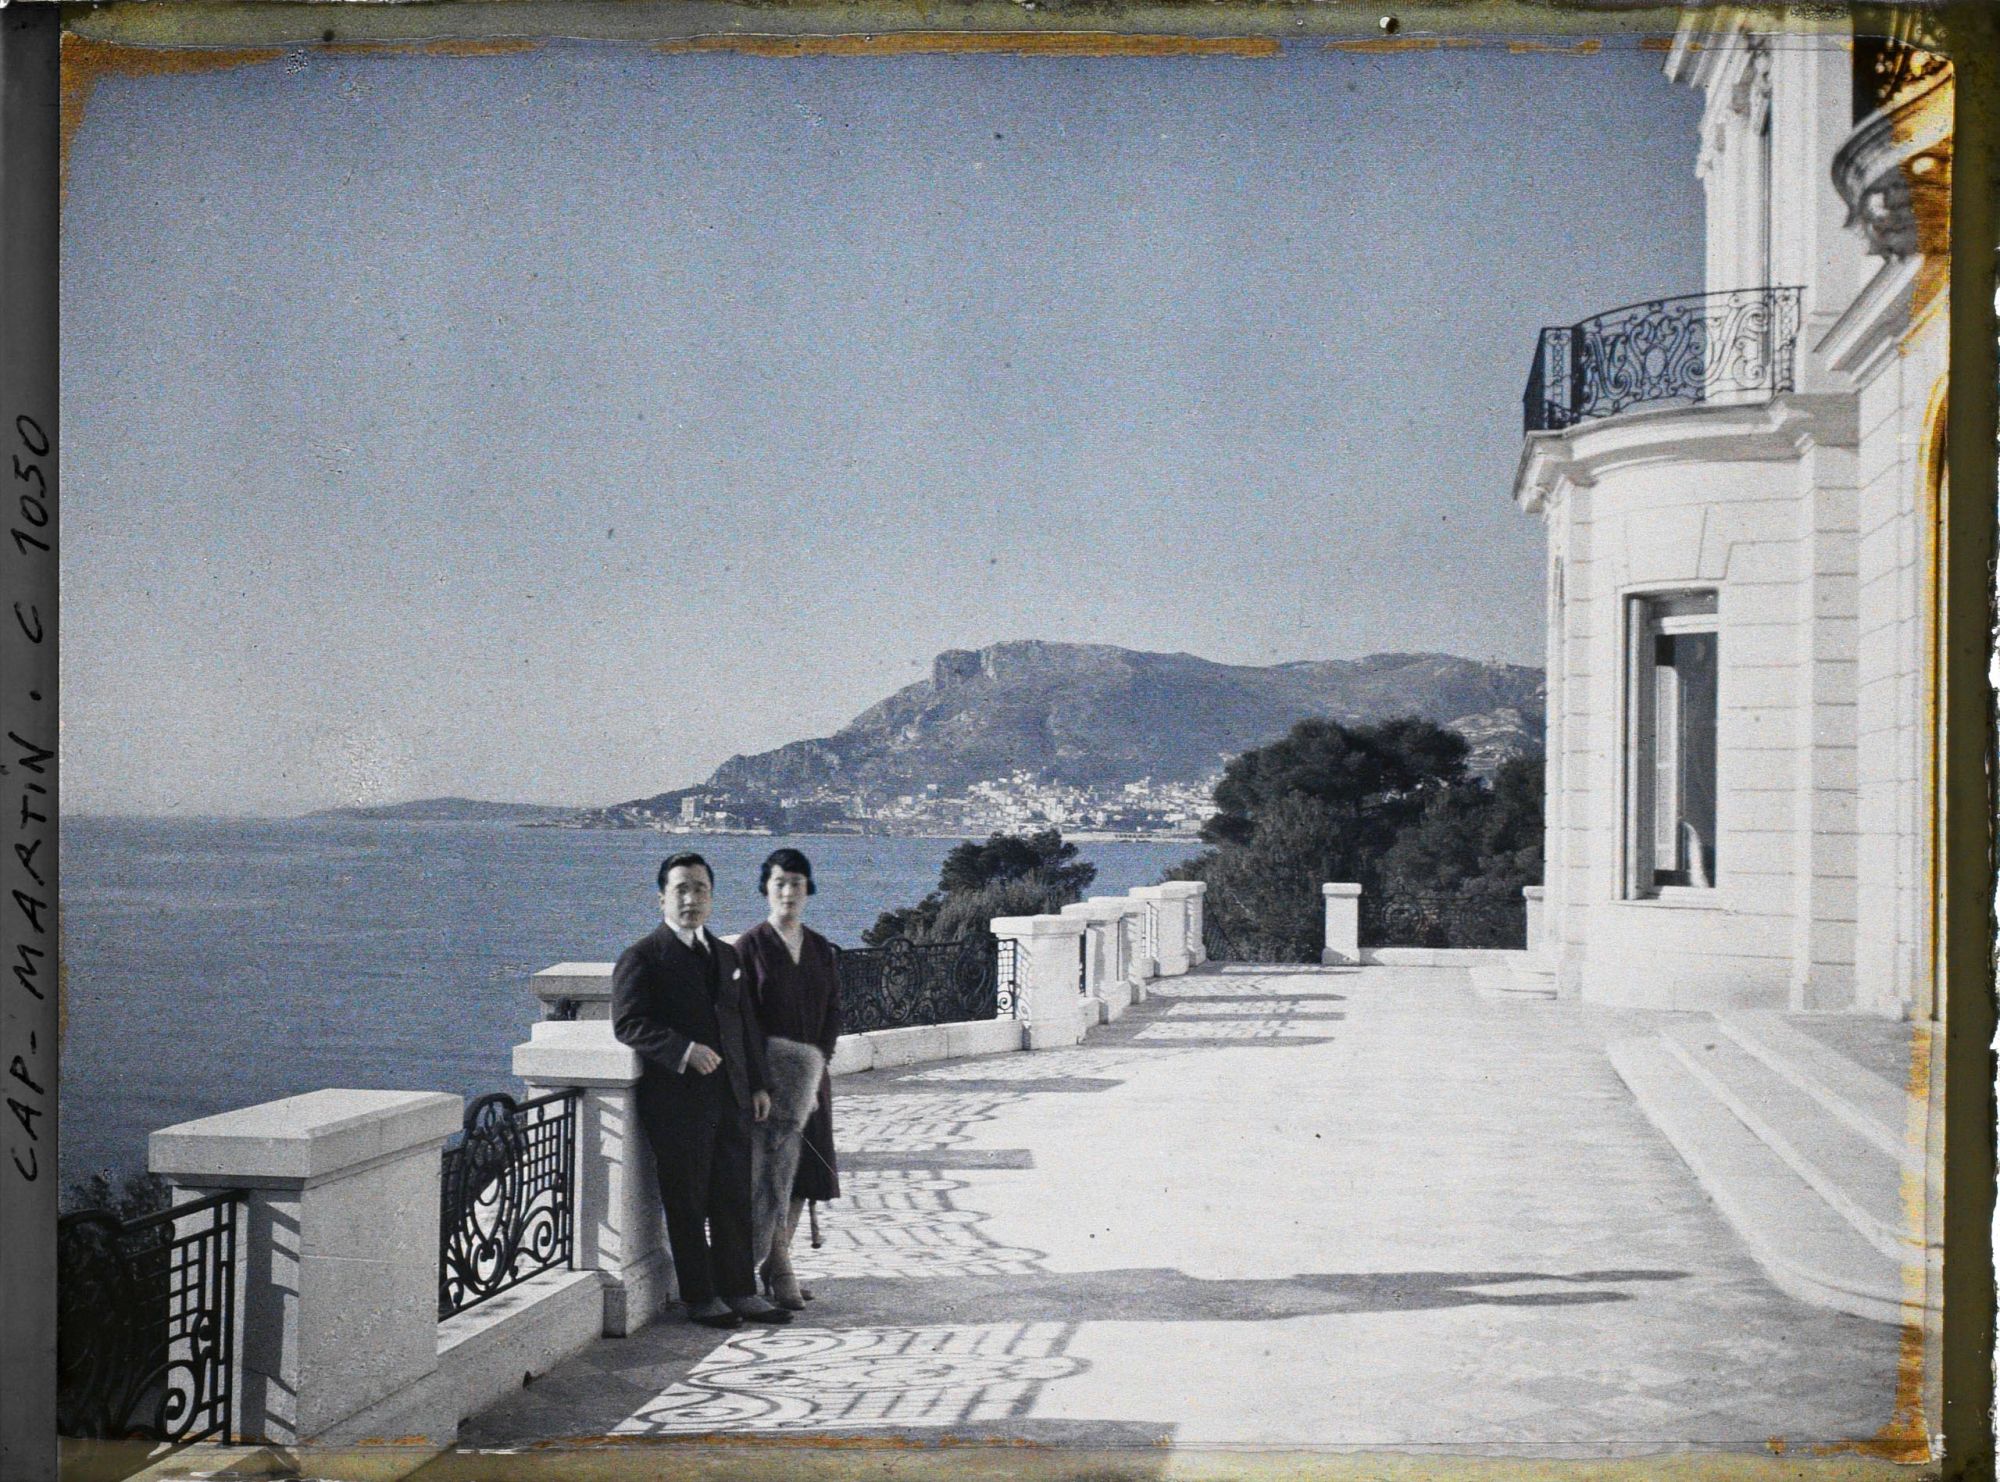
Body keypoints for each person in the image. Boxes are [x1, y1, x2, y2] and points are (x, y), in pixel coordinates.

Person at [611, 852, 791, 1329]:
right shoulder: (643, 957)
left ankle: (741, 1291)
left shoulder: (726, 955)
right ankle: (701, 1296)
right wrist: (683, 1049)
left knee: (732, 1197)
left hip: (730, 1098)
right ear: (662, 898)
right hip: (676, 1104)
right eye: (681, 890)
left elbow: (745, 1024)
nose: (691, 899)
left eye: (700, 889)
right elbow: (629, 1024)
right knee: (687, 1200)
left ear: (711, 896)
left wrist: (757, 1084)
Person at [733, 847, 842, 1311]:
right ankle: (776, 1267)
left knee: (804, 1177)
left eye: (796, 883)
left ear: (808, 889)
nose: (788, 892)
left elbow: (834, 1012)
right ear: (765, 888)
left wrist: (817, 1071)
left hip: (812, 1083)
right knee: (768, 1177)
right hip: (767, 1088)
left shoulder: (820, 948)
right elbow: (742, 1021)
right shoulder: (748, 947)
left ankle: (778, 1262)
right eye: (779, 882)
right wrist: (760, 1082)